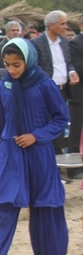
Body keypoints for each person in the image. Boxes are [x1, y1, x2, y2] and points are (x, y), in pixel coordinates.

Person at [0, 38, 69, 255]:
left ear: (29, 60)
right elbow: (0, 123)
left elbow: (61, 118)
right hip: (10, 154)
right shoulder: (3, 86)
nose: (12, 70)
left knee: (45, 205)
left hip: (38, 153)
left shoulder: (45, 84)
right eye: (8, 64)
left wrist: (36, 136)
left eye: (17, 64)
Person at [31, 10, 78, 155]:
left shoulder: (64, 42)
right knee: (46, 125)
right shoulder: (37, 43)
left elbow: (67, 62)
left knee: (59, 125)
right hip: (45, 92)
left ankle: (58, 160)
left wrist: (72, 72)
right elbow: (35, 67)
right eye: (62, 23)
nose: (66, 27)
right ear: (52, 25)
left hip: (63, 91)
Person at [67, 15, 83, 179]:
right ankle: (73, 167)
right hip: (79, 96)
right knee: (76, 131)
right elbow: (79, 67)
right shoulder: (76, 43)